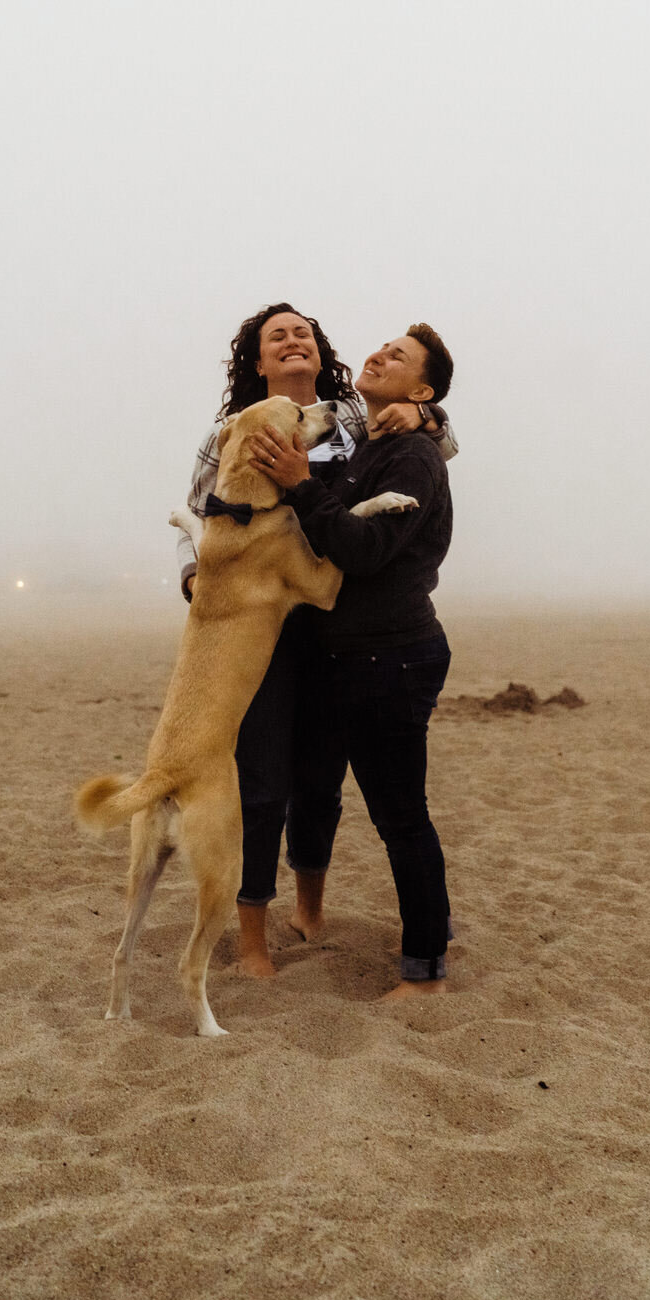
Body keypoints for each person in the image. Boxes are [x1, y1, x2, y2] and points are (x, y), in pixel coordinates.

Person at [176, 304, 458, 976]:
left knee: (321, 784)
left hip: (339, 623)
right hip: (266, 627)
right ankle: (251, 941)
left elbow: (433, 449)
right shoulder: (233, 430)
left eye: (302, 331)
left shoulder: (354, 415)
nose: (292, 340)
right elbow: (196, 513)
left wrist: (428, 416)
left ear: (317, 347)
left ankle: (310, 910)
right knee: (262, 782)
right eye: (277, 336)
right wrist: (194, 577)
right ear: (258, 362)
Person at [252, 324, 455, 997]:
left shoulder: (411, 454)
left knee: (400, 816)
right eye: (379, 347)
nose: (377, 355)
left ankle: (424, 973)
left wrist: (300, 483)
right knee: (378, 808)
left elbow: (364, 550)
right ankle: (427, 934)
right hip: (356, 655)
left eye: (397, 357)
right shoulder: (371, 436)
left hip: (390, 657)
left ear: (421, 387)